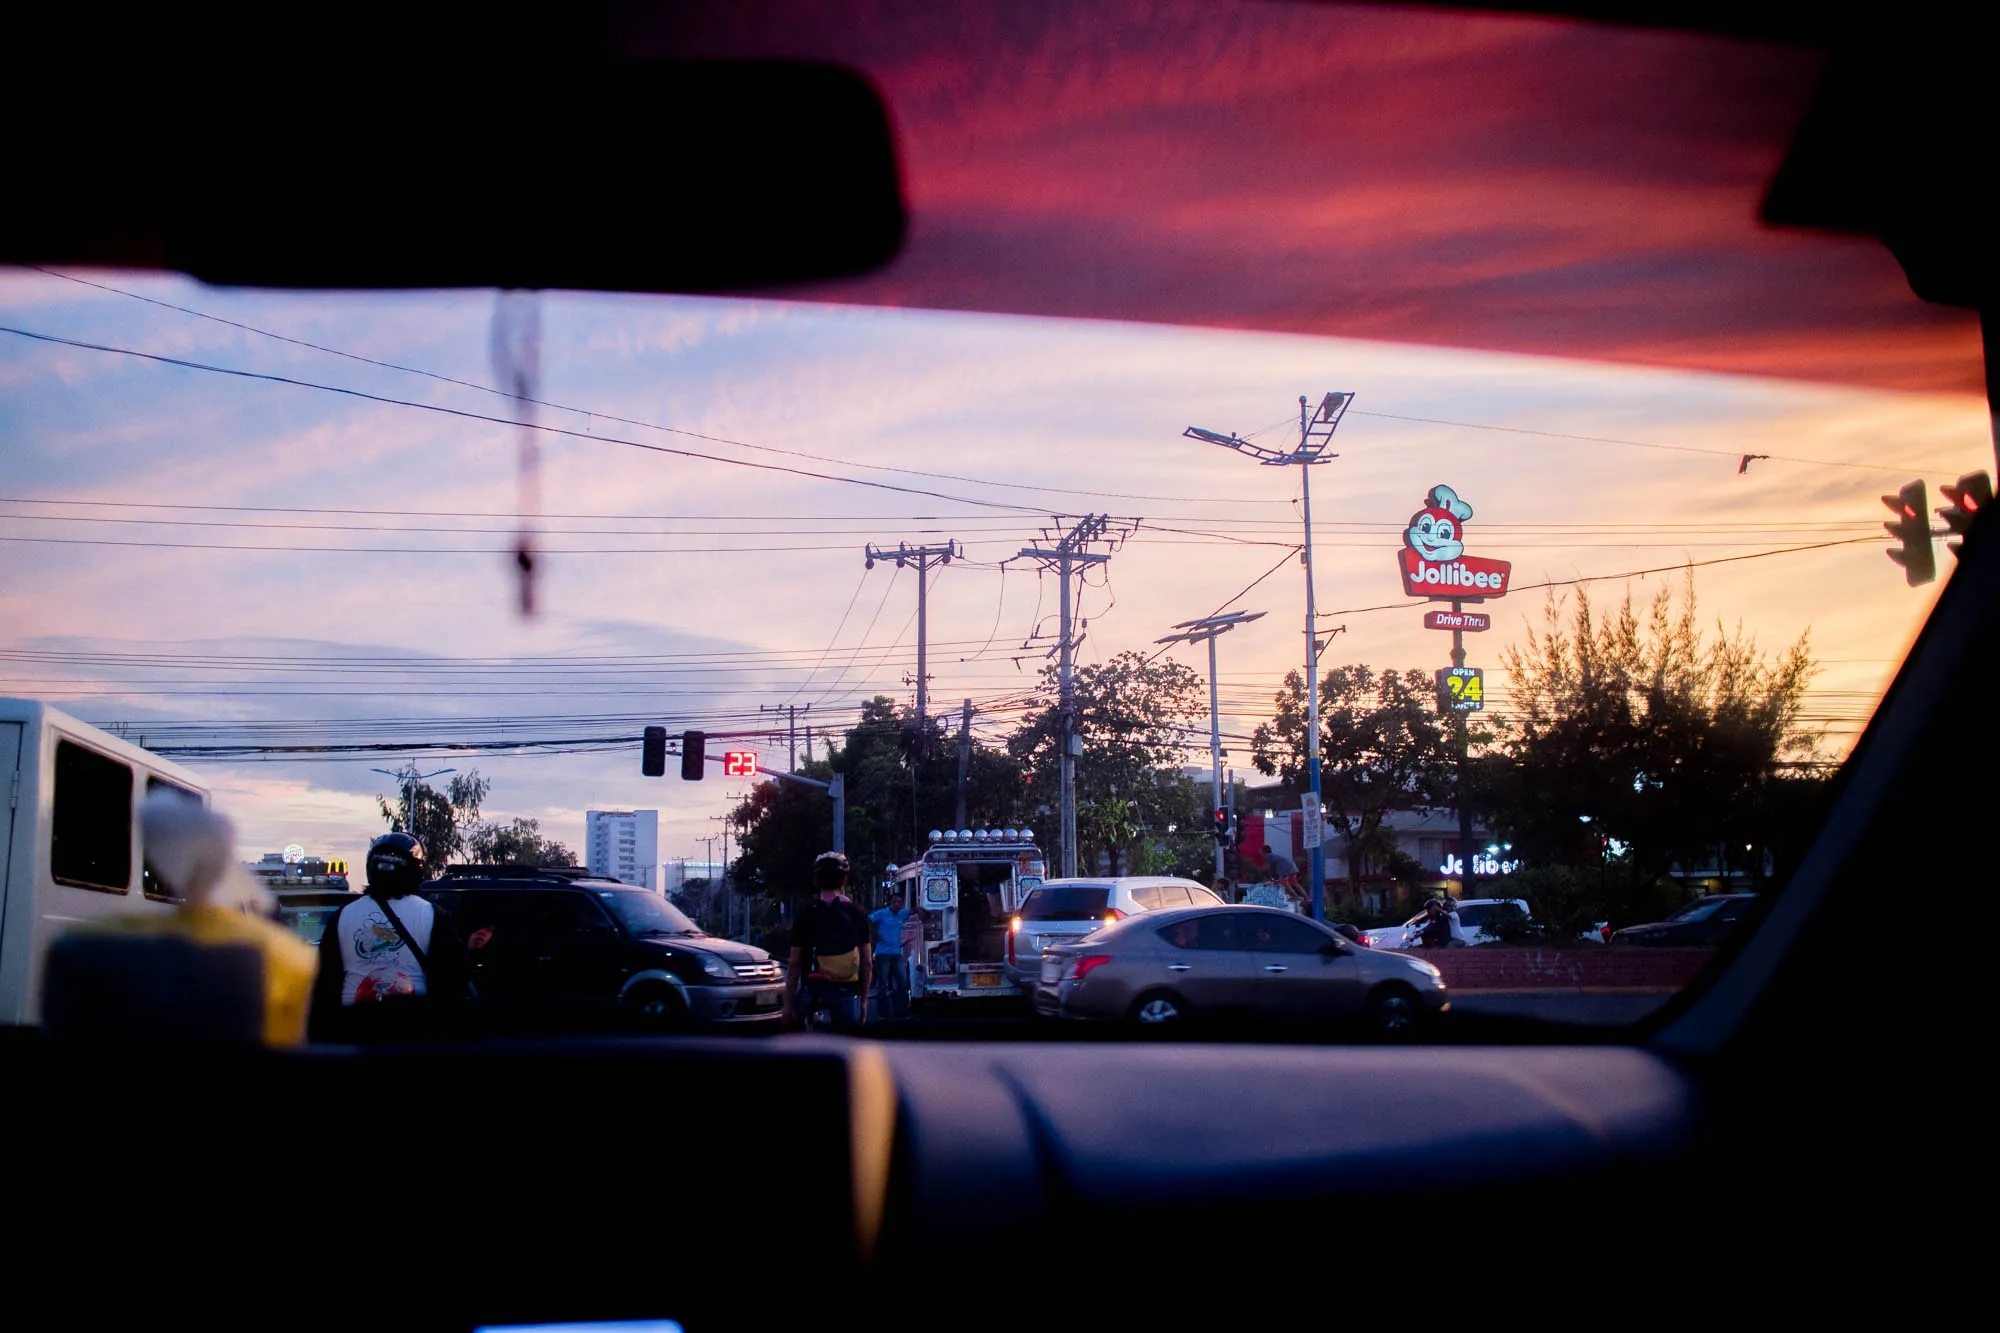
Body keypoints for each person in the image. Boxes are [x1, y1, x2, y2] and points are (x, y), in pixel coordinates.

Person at [309, 832, 474, 1041]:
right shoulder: (433, 916)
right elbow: (453, 984)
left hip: (353, 1036)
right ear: (417, 869)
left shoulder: (343, 916)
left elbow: (325, 988)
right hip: (415, 1035)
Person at [785, 851, 873, 1031]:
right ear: (844, 881)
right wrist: (863, 1001)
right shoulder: (857, 913)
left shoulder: (806, 913)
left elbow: (794, 963)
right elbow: (867, 963)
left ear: (816, 881)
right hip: (847, 995)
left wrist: (788, 1004)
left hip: (812, 994)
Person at [868, 889, 913, 1021]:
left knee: (902, 982)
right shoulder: (882, 913)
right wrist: (874, 936)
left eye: (899, 902)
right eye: (894, 902)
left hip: (896, 954)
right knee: (882, 984)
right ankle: (883, 1013)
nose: (897, 904)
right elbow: (868, 920)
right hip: (883, 954)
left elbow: (916, 911)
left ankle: (901, 1011)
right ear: (890, 903)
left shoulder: (902, 914)